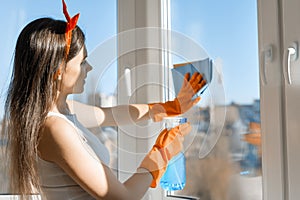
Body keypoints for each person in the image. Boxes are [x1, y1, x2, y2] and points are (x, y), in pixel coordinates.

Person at [1, 1, 206, 199]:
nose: (88, 68)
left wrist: (168, 107)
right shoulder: (55, 129)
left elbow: (113, 115)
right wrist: (161, 154)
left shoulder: (64, 112)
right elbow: (123, 198)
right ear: (58, 71)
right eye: (82, 62)